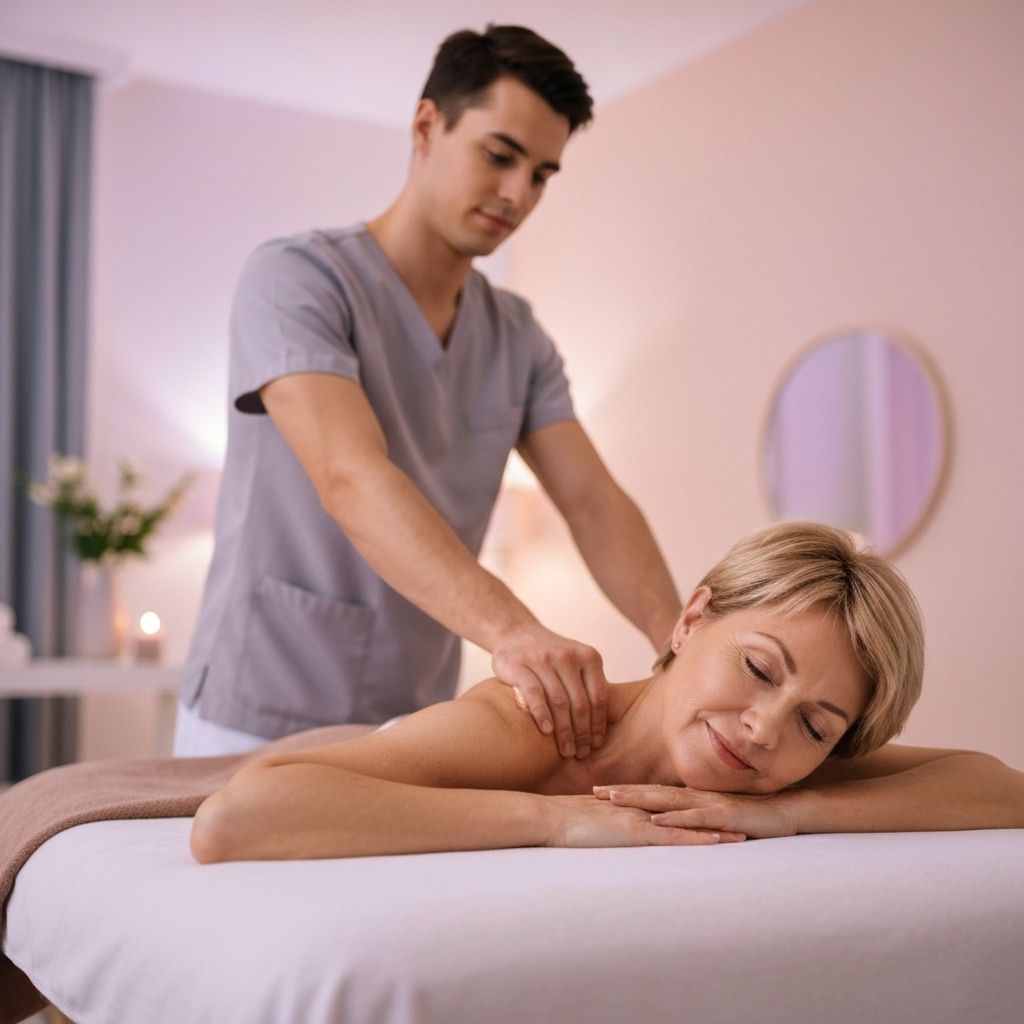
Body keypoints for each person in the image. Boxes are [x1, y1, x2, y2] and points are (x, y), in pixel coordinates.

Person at [175, 24, 683, 760]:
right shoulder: (297, 280)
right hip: (258, 704)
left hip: (409, 720)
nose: (517, 194)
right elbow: (350, 475)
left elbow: (591, 500)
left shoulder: (517, 335)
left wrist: (677, 640)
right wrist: (515, 632)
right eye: (499, 156)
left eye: (541, 174)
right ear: (425, 126)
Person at [189, 522, 1024, 863]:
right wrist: (556, 818)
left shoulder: (776, 773)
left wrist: (792, 813)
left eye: (817, 723)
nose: (764, 728)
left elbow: (1000, 788)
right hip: (328, 739)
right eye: (759, 669)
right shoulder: (534, 728)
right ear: (691, 619)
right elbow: (237, 818)